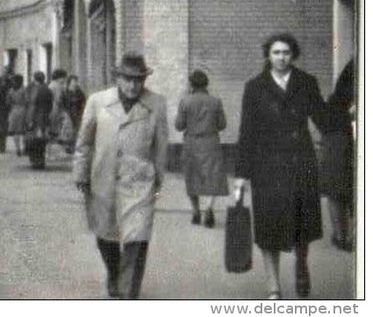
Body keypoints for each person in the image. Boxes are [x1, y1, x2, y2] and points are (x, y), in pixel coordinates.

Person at [234, 33, 332, 300]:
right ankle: (273, 286)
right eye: (276, 52)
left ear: (293, 55)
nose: (281, 57)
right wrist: (241, 174)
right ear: (268, 55)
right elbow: (247, 132)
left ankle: (301, 266)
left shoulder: (306, 83)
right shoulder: (254, 87)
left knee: (302, 224)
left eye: (286, 52)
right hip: (266, 168)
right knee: (269, 227)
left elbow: (323, 119)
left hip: (301, 163)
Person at [72, 52, 169, 301]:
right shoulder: (97, 101)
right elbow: (84, 142)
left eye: (139, 79)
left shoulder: (156, 104)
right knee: (106, 236)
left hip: (140, 182)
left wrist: (158, 181)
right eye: (128, 79)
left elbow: (161, 146)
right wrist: (81, 173)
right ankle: (114, 275)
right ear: (118, 78)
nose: (133, 85)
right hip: (103, 179)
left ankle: (128, 296)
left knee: (137, 239)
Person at [175, 69, 228, 227]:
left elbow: (179, 126)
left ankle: (196, 211)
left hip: (192, 143)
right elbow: (222, 125)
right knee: (212, 178)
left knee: (192, 177)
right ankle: (209, 209)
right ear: (206, 84)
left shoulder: (185, 101)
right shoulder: (216, 101)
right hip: (211, 143)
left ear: (191, 84)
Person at [321, 56, 356, 251]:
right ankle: (342, 235)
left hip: (340, 136)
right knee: (339, 187)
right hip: (340, 136)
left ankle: (343, 235)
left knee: (340, 188)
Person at [26, 71, 55, 169]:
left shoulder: (35, 90)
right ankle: (41, 161)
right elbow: (51, 104)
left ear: (35, 79)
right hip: (45, 118)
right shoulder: (48, 90)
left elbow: (33, 105)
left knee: (34, 140)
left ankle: (35, 161)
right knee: (42, 141)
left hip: (36, 118)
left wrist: (29, 120)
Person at [61, 75, 87, 153]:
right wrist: (64, 112)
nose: (75, 83)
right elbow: (62, 102)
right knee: (69, 130)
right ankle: (68, 147)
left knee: (77, 130)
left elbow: (84, 100)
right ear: (70, 82)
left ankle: (75, 146)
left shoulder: (79, 91)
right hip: (68, 113)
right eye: (73, 81)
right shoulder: (65, 91)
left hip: (78, 113)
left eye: (76, 81)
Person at [7, 73, 28, 156]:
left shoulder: (11, 90)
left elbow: (8, 102)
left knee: (15, 132)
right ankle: (24, 148)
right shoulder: (24, 90)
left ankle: (17, 148)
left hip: (14, 111)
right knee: (24, 131)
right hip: (23, 111)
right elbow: (27, 100)